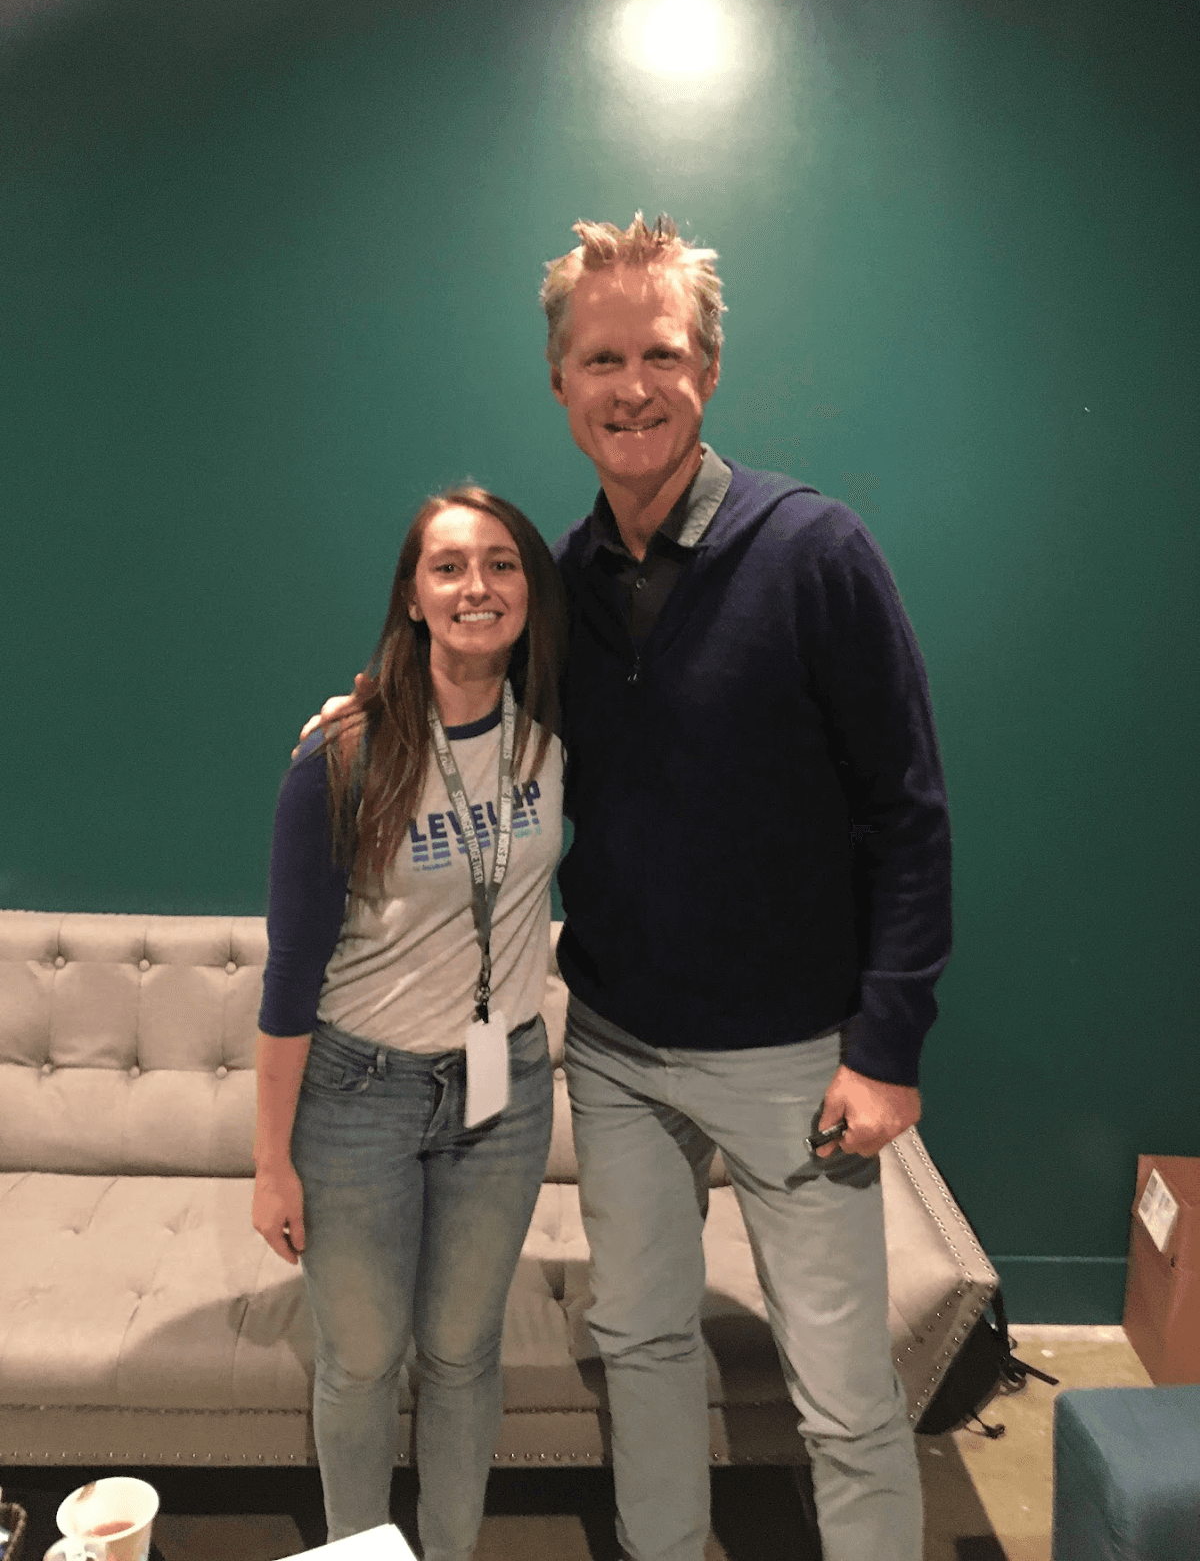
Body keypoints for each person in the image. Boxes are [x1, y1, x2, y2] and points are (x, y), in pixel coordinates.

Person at [305, 214, 953, 1561]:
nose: (632, 387)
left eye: (660, 353)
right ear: (560, 383)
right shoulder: (559, 583)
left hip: (792, 1062)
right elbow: (468, 687)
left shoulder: (815, 551)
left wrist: (887, 1047)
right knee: (643, 1344)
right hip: (612, 1050)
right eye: (601, 359)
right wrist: (367, 712)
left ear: (707, 367)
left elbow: (909, 810)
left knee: (844, 1397)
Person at [254, 484, 567, 1561]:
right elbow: (290, 976)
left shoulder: (556, 735)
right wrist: (270, 1163)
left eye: (501, 563)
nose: (477, 585)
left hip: (503, 1086)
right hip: (359, 1095)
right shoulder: (342, 753)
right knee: (362, 1359)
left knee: (464, 1353)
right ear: (413, 596)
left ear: (529, 590)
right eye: (448, 566)